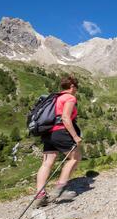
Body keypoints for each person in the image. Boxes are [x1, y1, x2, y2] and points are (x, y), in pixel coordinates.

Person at [33, 76, 83, 208]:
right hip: (60, 131)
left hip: (48, 132)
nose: (76, 90)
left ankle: (40, 194)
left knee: (47, 163)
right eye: (76, 88)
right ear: (72, 86)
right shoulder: (69, 98)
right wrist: (75, 136)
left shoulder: (55, 98)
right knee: (75, 158)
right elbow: (66, 118)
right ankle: (59, 189)